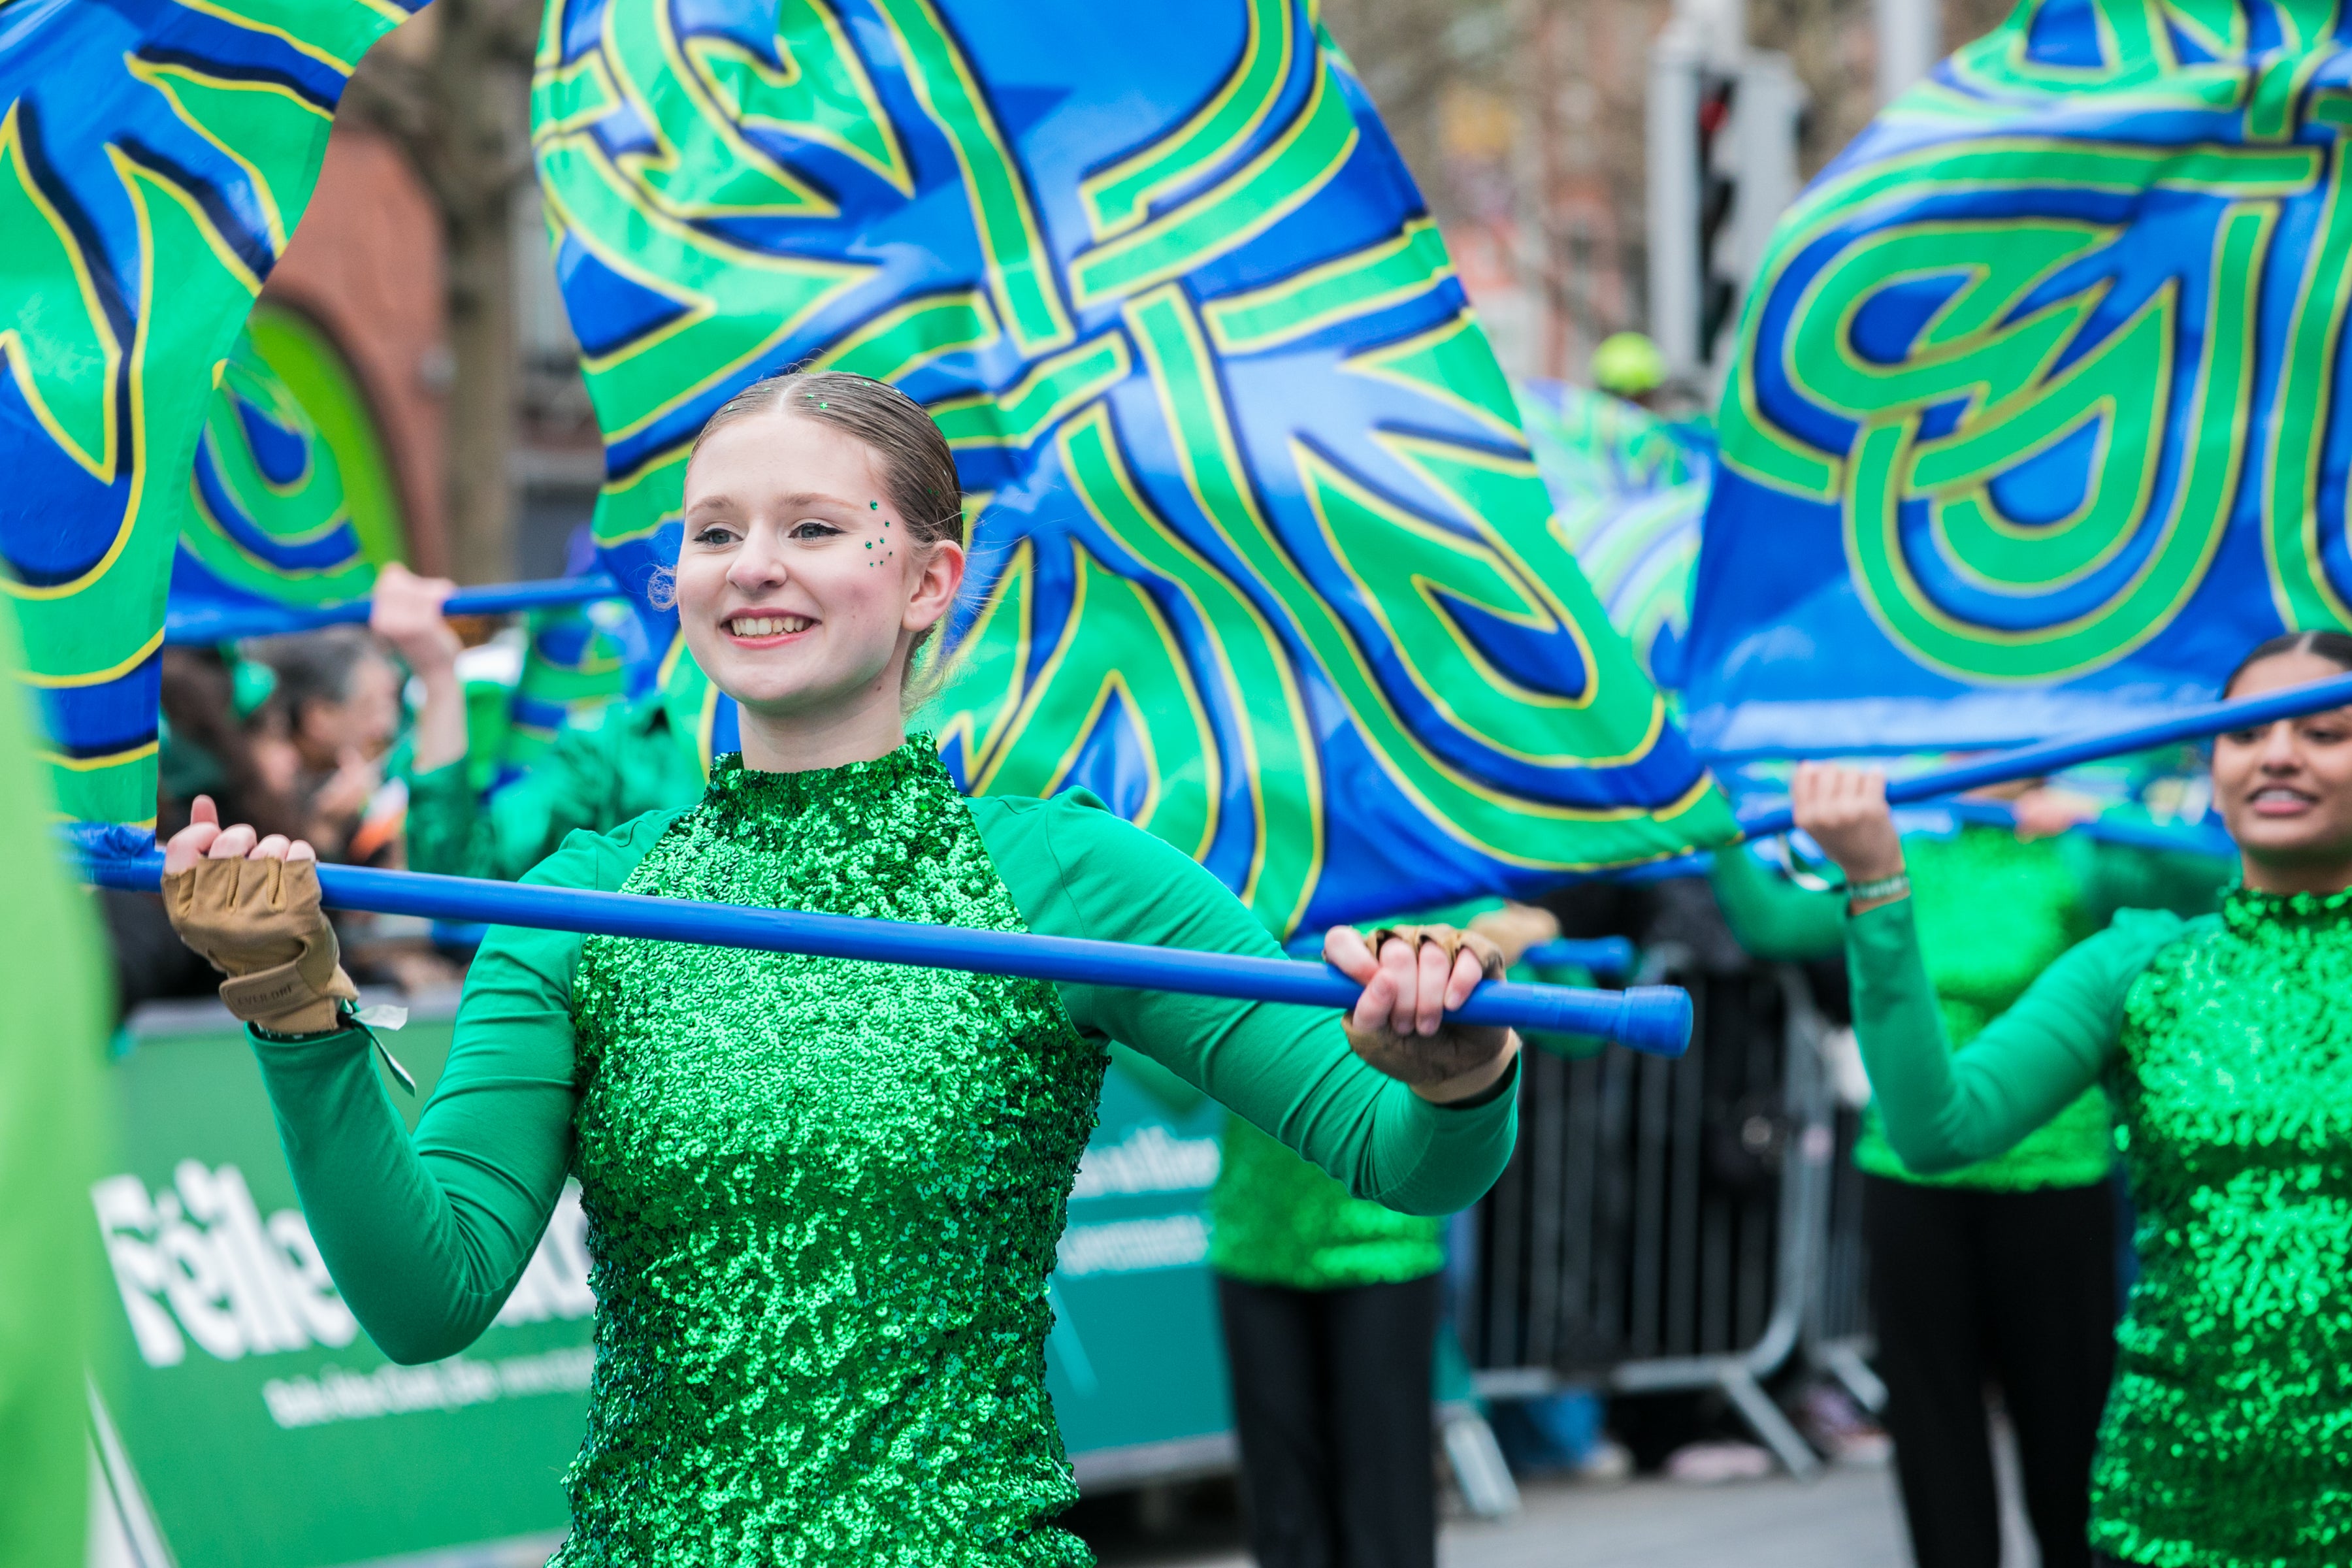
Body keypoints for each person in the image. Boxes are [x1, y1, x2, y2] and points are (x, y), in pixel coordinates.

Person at [157, 370, 1526, 1567]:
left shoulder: (1067, 880)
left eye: (814, 528)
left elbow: (1402, 1156)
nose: (754, 565)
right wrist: (297, 1013)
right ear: (676, 582)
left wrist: (1459, 1071)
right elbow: (425, 1296)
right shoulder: (578, 903)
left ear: (930, 579)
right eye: (714, 534)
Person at [1791, 629, 2352, 1568]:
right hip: (2173, 1511)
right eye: (2247, 732)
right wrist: (1877, 885)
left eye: (2326, 730)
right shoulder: (2138, 967)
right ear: (2211, 762)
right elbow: (1939, 1129)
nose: (2280, 752)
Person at [1710, 788, 2225, 1568]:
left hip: (2054, 1183)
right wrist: (1715, 826)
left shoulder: (2081, 854)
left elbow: (2219, 889)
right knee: (1932, 1430)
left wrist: (2108, 821)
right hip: (1910, 1181)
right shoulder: (1904, 858)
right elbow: (1774, 924)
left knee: (2068, 1430)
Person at [369, 563, 708, 884]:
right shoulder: (612, 748)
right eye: (716, 536)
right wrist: (438, 675)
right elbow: (460, 873)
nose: (749, 572)